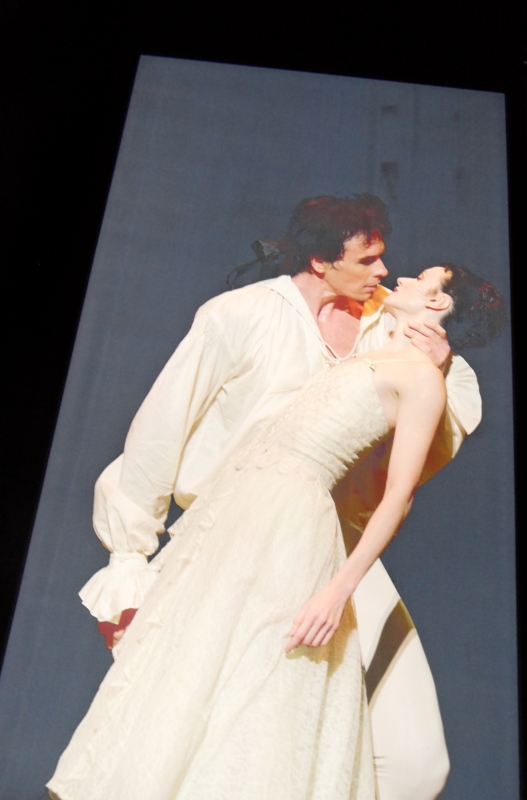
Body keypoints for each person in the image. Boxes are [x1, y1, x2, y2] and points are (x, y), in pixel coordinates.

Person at [65, 195, 482, 799]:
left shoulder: (387, 323)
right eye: (367, 260)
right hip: (236, 545)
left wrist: (436, 364)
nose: (385, 272)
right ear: (320, 260)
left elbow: (424, 451)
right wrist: (129, 565)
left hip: (341, 546)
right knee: (216, 737)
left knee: (414, 762)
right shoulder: (241, 315)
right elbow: (158, 435)